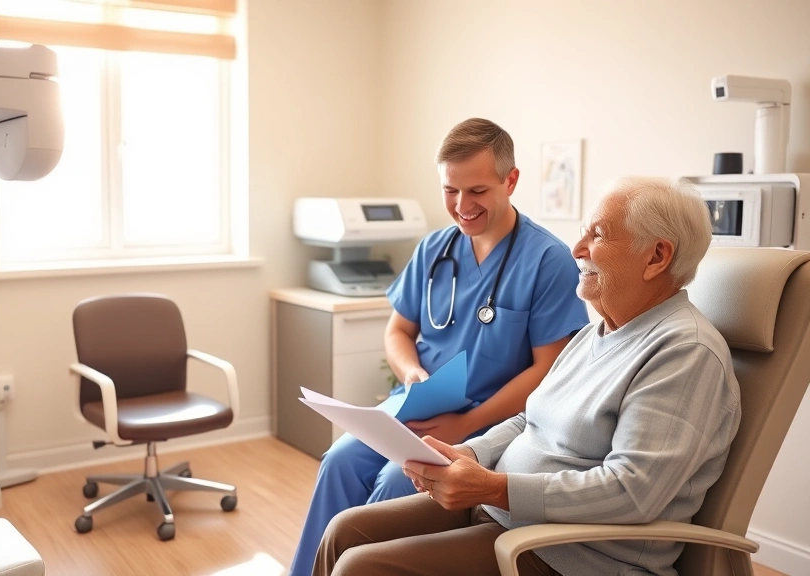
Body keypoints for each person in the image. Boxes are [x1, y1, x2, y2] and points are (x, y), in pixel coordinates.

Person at [313, 176, 741, 576]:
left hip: (572, 552)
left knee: (360, 567)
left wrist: (496, 489)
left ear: (657, 257)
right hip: (505, 515)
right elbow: (529, 419)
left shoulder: (685, 352)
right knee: (344, 531)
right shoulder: (598, 334)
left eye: (597, 235)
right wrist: (471, 454)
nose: (577, 248)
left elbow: (633, 491)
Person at [290, 118, 591, 576]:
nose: (462, 206)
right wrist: (411, 374)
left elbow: (547, 370)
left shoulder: (548, 260)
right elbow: (398, 332)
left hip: (489, 422)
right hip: (413, 408)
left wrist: (465, 422)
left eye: (477, 191)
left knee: (396, 481)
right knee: (338, 462)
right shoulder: (434, 250)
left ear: (511, 181)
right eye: (451, 191)